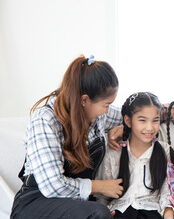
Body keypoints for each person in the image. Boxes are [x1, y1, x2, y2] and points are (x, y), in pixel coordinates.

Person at [10, 55, 122, 219]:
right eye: (106, 105)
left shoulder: (97, 115)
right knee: (99, 213)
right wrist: (99, 186)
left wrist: (124, 127)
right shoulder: (45, 120)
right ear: (85, 100)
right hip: (36, 203)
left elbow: (134, 114)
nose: (107, 111)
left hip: (73, 204)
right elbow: (53, 186)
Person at [96, 92, 174, 219]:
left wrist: (168, 212)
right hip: (119, 211)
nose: (149, 127)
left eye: (155, 120)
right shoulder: (114, 153)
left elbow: (168, 191)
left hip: (152, 212)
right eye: (142, 120)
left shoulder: (165, 151)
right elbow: (102, 196)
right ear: (128, 121)